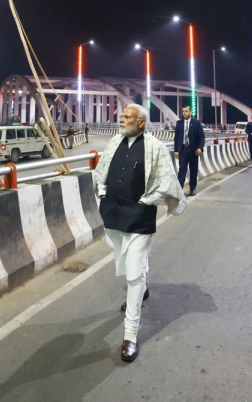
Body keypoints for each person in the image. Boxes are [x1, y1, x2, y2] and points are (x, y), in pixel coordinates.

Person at [93, 104, 186, 362]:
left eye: (127, 116)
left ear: (142, 122)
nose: (121, 119)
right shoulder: (114, 142)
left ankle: (130, 336)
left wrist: (148, 201)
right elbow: (101, 172)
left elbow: (168, 181)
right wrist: (102, 193)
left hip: (139, 218)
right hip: (114, 215)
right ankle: (142, 289)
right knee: (128, 262)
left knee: (133, 274)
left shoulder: (155, 147)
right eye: (122, 116)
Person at [174, 105, 205, 196]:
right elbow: (176, 138)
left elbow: (202, 136)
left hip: (193, 151)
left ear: (190, 112)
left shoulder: (196, 123)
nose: (184, 113)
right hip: (183, 150)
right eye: (183, 111)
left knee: (193, 170)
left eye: (186, 111)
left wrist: (200, 147)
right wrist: (176, 150)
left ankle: (192, 188)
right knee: (182, 171)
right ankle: (179, 190)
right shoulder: (179, 123)